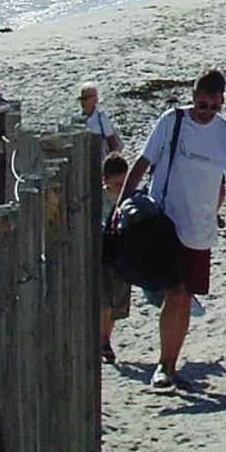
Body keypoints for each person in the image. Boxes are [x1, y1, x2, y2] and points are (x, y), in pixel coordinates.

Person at [121, 69, 226, 393]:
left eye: (213, 107)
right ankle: (163, 367)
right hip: (165, 222)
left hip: (201, 228)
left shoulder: (225, 134)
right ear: (193, 97)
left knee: (185, 298)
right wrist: (123, 202)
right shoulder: (172, 121)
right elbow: (142, 161)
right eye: (202, 104)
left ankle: (172, 364)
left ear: (222, 103)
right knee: (175, 293)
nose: (206, 112)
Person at [100, 154, 132, 365]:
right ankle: (103, 342)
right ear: (105, 181)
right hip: (102, 251)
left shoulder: (129, 197)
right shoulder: (98, 198)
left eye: (123, 182)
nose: (121, 188)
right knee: (103, 298)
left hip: (121, 252)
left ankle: (106, 339)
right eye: (116, 184)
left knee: (117, 300)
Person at [80, 81, 123, 157]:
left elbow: (111, 141)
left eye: (86, 98)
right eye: (81, 98)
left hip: (100, 160)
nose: (83, 101)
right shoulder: (77, 119)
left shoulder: (101, 117)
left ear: (95, 99)